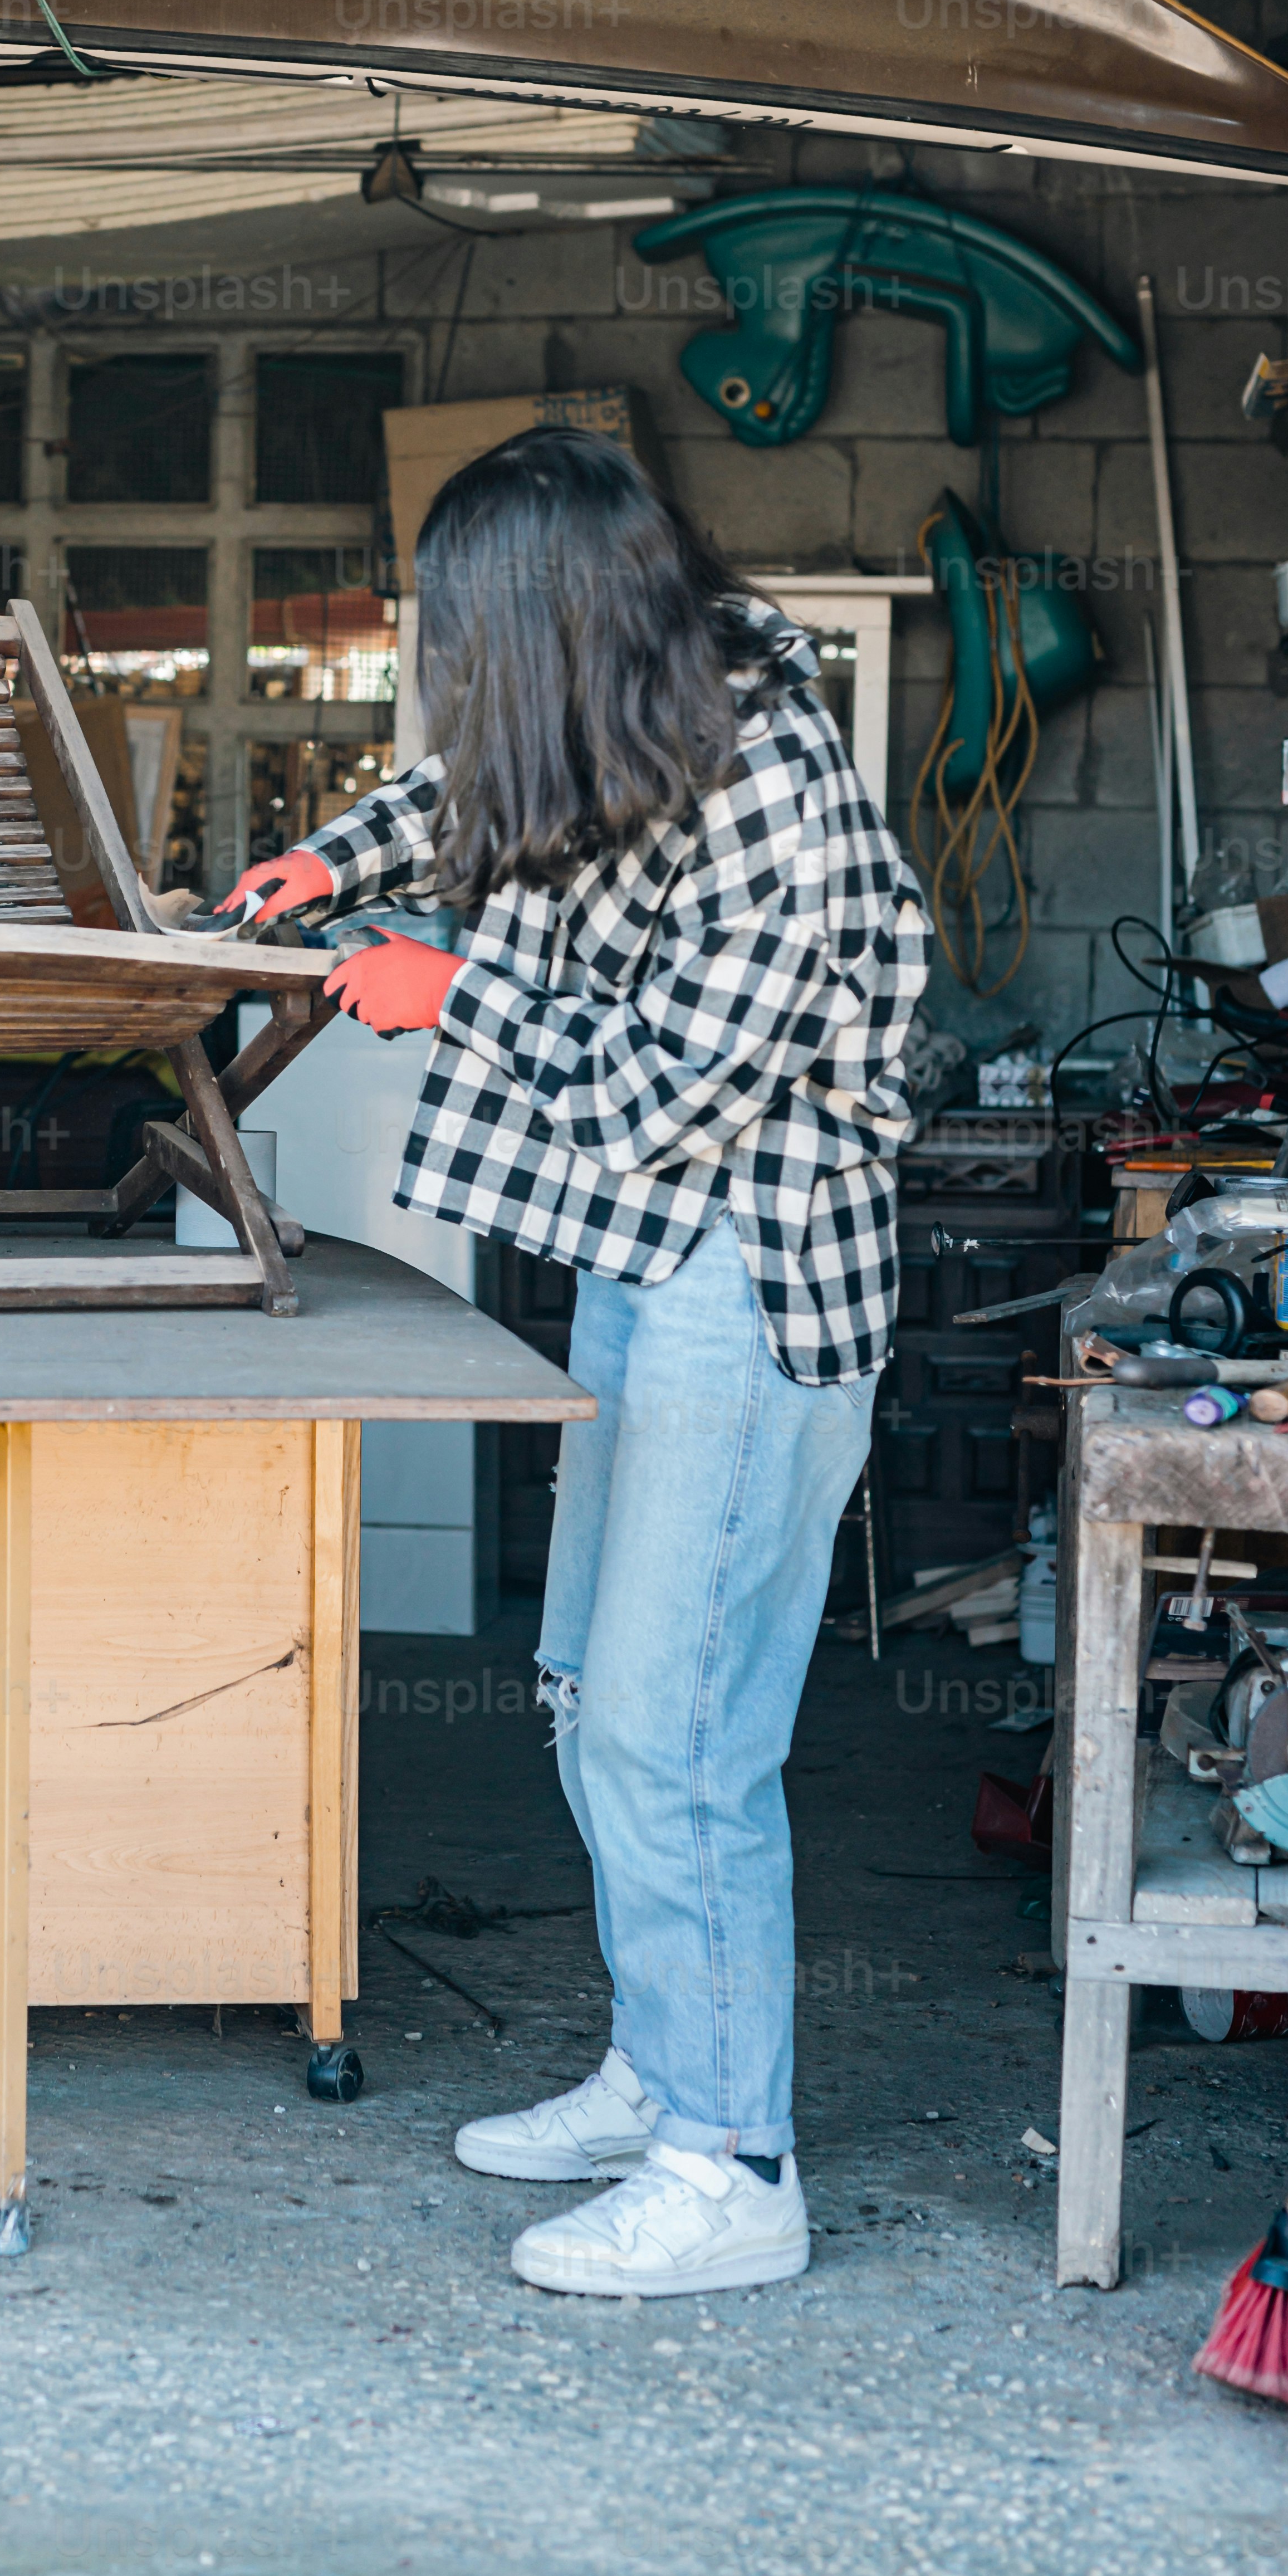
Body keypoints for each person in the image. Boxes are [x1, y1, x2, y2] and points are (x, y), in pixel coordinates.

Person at [212, 428, 928, 2298]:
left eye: (461, 635)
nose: (449, 671)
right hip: (649, 1258)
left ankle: (734, 2166)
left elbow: (658, 1087)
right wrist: (328, 859)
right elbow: (473, 786)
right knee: (582, 1689)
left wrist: (445, 985)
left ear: (549, 627)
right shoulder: (638, 698)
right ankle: (661, 2073)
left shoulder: (772, 785)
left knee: (677, 1734)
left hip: (753, 1282)